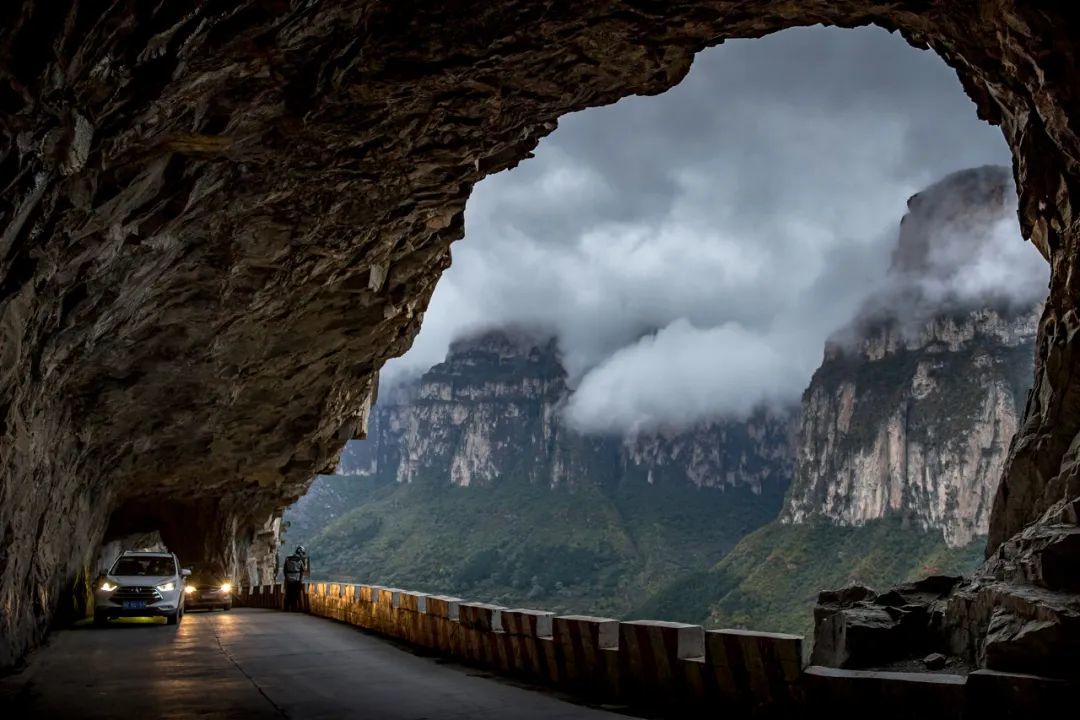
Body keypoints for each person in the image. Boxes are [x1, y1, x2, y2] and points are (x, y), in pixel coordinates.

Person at [283, 545, 309, 611]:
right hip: (296, 580)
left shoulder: (288, 558)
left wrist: (286, 578)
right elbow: (303, 570)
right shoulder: (300, 560)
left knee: (288, 593)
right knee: (295, 594)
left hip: (288, 579)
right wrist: (300, 580)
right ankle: (294, 608)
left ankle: (286, 608)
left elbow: (284, 569)